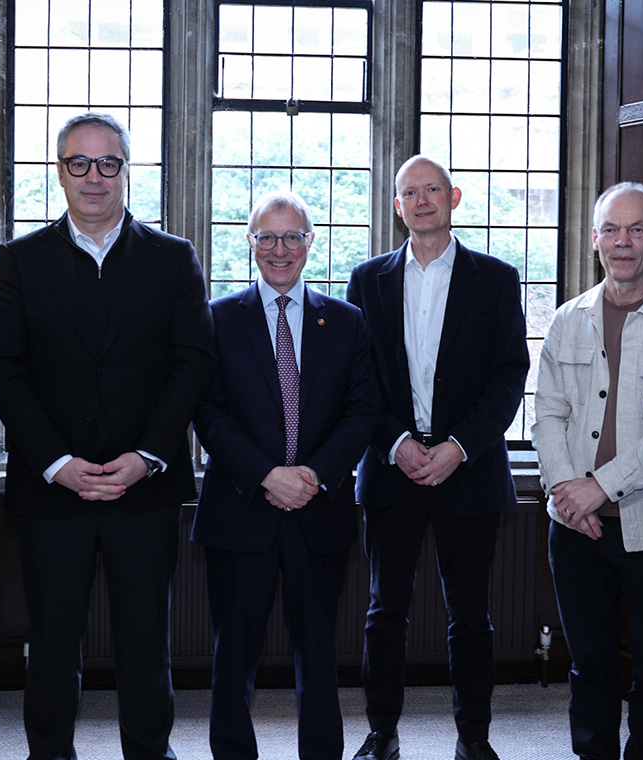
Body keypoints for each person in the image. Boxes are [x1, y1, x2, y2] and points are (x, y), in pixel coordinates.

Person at [0, 112, 214, 760]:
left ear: (126, 171)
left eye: (107, 162)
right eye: (78, 163)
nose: (93, 176)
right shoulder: (19, 261)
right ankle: (50, 753)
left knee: (147, 640)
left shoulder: (173, 258)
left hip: (145, 490)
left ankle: (150, 752)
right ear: (59, 171)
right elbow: (3, 367)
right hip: (52, 489)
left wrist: (147, 456)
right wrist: (56, 461)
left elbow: (193, 361)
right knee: (53, 643)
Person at [345, 155, 529, 760]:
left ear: (454, 198)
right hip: (390, 472)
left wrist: (457, 447)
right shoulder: (366, 280)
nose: (421, 201)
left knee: (471, 617)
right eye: (409, 193)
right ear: (396, 206)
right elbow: (359, 380)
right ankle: (382, 733)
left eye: (432, 190)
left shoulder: (497, 279)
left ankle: (474, 738)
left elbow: (508, 378)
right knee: (383, 613)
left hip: (469, 471)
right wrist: (396, 443)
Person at [192, 191, 379, 760]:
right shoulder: (218, 320)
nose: (280, 250)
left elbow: (364, 409)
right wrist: (267, 475)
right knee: (233, 656)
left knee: (319, 655)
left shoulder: (346, 322)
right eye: (267, 238)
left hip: (318, 512)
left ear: (310, 242)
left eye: (292, 236)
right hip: (240, 509)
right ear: (250, 244)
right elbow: (207, 411)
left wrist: (314, 475)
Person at [532, 182, 643, 760]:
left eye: (637, 229)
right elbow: (547, 412)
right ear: (595, 239)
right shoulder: (569, 319)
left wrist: (601, 487)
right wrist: (567, 494)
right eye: (611, 230)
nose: (623, 242)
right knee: (590, 664)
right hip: (575, 530)